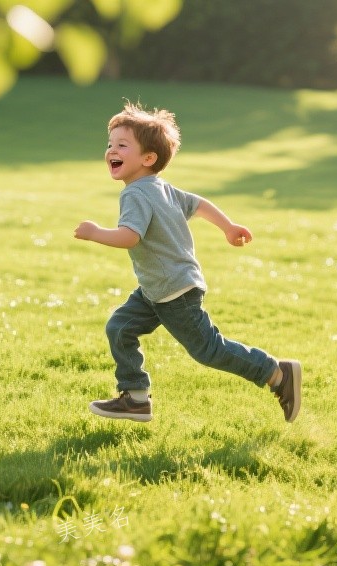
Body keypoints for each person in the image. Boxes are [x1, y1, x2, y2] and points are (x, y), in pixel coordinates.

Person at [73, 101, 301, 423]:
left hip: (174, 292)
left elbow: (129, 236)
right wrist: (228, 226)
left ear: (148, 158)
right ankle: (136, 398)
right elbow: (199, 204)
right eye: (110, 144)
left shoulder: (135, 194)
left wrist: (96, 232)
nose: (112, 150)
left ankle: (277, 374)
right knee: (120, 327)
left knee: (209, 350)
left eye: (122, 145)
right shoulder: (160, 188)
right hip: (157, 288)